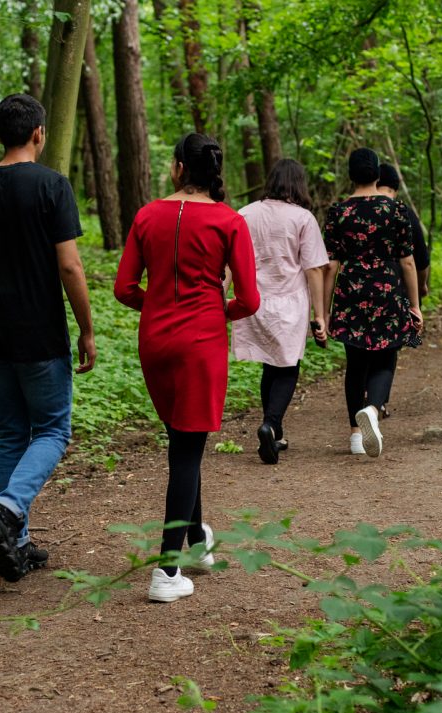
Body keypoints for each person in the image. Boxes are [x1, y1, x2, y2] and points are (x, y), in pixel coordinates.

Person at [0, 93, 96, 582]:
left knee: (13, 433)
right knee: (53, 430)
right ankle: (9, 507)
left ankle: (17, 544)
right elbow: (70, 266)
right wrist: (87, 328)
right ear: (38, 133)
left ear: (1, 133)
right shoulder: (53, 185)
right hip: (40, 334)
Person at [116, 132, 260, 602]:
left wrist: (160, 305)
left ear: (179, 167)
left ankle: (198, 541)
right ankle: (166, 571)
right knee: (185, 453)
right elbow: (249, 300)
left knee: (183, 443)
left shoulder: (146, 215)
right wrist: (216, 311)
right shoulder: (228, 221)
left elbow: (124, 288)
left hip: (155, 341)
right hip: (200, 343)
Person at [322, 148, 423, 458]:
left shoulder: (338, 212)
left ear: (350, 175)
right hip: (386, 289)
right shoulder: (396, 210)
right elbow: (407, 261)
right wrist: (415, 305)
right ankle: (373, 409)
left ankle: (356, 436)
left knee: (355, 364)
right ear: (378, 174)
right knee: (385, 358)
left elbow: (331, 266)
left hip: (350, 292)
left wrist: (323, 312)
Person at [230, 158, 329, 464]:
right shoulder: (303, 218)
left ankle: (276, 433)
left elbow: (229, 263)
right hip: (290, 303)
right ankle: (270, 425)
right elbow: (314, 269)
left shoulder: (245, 214)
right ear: (299, 184)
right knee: (287, 366)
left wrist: (221, 300)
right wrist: (320, 315)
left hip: (255, 301)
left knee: (270, 365)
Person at [373, 163, 429, 419]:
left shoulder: (354, 209)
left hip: (357, 289)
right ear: (395, 187)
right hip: (396, 287)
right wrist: (421, 287)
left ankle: (367, 395)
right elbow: (420, 258)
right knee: (391, 344)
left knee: (363, 344)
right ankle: (378, 402)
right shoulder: (402, 211)